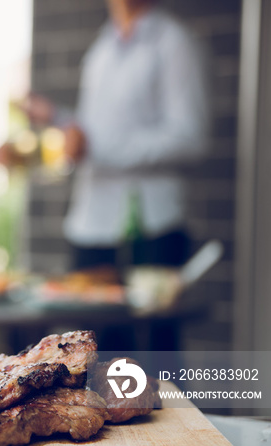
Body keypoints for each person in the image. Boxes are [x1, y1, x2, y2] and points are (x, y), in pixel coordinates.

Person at [58, 0, 210, 272]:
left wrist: (98, 148)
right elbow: (95, 129)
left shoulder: (173, 42)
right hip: (89, 224)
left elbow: (189, 138)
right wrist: (57, 118)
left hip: (150, 228)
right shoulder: (101, 48)